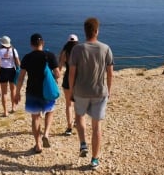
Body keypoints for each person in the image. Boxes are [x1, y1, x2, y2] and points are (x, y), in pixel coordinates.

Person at [69, 17, 114, 170]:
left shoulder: (77, 49)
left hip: (81, 90)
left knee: (79, 116)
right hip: (100, 92)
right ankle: (94, 160)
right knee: (97, 127)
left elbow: (71, 73)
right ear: (96, 31)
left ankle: (83, 143)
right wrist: (109, 90)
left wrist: (71, 90)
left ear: (85, 31)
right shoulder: (105, 48)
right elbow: (110, 73)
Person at [15, 33, 60, 154]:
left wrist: (17, 93)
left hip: (32, 92)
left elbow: (21, 77)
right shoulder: (49, 55)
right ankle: (46, 133)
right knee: (50, 111)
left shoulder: (27, 57)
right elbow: (58, 73)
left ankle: (38, 145)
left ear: (31, 44)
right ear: (43, 43)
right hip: (47, 91)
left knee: (35, 118)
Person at [58, 34, 79, 136]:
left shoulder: (64, 53)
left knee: (69, 104)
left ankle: (69, 128)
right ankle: (77, 122)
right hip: (79, 79)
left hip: (67, 79)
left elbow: (60, 67)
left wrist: (55, 78)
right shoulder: (81, 52)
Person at [0, 35, 20, 117]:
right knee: (13, 90)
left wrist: (3, 60)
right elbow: (17, 61)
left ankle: (5, 111)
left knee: (4, 92)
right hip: (12, 71)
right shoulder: (14, 50)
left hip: (3, 71)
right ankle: (13, 107)